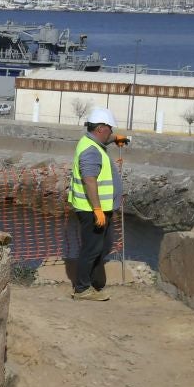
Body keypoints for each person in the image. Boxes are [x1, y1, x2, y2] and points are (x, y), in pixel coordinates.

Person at [68, 107, 127, 300]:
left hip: (99, 208)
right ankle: (83, 289)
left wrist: (116, 138)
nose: (111, 132)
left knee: (103, 245)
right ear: (101, 128)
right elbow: (89, 180)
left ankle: (93, 283)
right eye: (110, 129)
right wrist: (98, 210)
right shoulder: (91, 151)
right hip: (91, 210)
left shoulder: (91, 141)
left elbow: (104, 138)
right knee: (91, 248)